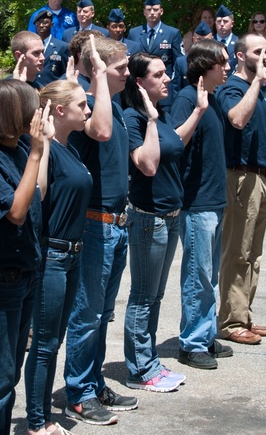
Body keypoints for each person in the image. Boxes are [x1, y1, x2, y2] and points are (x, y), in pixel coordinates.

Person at [63, 36, 140, 425]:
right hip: (95, 226)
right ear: (95, 67)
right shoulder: (88, 108)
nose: (128, 73)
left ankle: (93, 382)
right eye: (120, 67)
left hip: (119, 222)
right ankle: (77, 392)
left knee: (103, 314)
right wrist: (92, 75)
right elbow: (102, 133)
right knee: (87, 314)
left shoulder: (115, 106)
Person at [0, 80, 52, 435]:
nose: (36, 113)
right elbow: (15, 213)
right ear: (8, 113)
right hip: (1, 279)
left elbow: (40, 191)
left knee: (10, 374)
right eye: (30, 106)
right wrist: (35, 152)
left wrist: (38, 149)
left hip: (24, 273)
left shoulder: (18, 149)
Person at [121, 53, 207, 392]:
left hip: (170, 217)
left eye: (166, 72)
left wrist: (198, 111)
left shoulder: (164, 113)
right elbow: (147, 164)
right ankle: (139, 370)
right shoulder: (133, 117)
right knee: (143, 296)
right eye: (158, 74)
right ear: (140, 83)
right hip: (149, 219)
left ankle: (150, 361)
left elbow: (175, 144)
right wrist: (153, 120)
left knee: (155, 295)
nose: (168, 77)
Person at [24, 80, 93, 435]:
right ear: (61, 111)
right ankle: (37, 422)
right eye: (82, 105)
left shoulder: (73, 149)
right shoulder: (45, 147)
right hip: (51, 256)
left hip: (72, 257)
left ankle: (43, 416)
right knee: (45, 343)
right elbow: (39, 191)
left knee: (54, 340)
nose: (88, 111)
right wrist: (46, 142)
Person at [173, 40, 234, 370]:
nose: (227, 68)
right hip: (196, 204)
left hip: (214, 200)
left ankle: (206, 334)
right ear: (203, 67)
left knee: (210, 275)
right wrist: (196, 111)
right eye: (221, 64)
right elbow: (175, 141)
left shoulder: (212, 98)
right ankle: (192, 342)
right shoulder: (187, 99)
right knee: (198, 276)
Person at [216, 33, 266, 345]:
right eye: (257, 51)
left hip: (261, 176)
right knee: (237, 251)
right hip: (240, 177)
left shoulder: (258, 89)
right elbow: (237, 119)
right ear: (240, 56)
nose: (264, 55)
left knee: (253, 253)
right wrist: (257, 84)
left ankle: (244, 313)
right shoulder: (233, 89)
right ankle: (230, 321)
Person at [127, 0, 184, 93]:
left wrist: (173, 87)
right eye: (149, 10)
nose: (152, 13)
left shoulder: (172, 33)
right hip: (140, 88)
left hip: (164, 87)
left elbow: (178, 63)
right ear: (144, 12)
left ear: (161, 11)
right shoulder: (134, 33)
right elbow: (130, 61)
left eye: (155, 10)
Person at [171, 21, 213, 97]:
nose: (202, 43)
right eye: (199, 39)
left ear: (212, 40)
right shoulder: (181, 62)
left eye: (206, 40)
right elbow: (175, 90)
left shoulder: (217, 61)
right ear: (193, 39)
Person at [34, 10, 69, 87]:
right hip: (34, 89)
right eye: (38, 23)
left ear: (51, 24)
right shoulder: (32, 46)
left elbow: (65, 72)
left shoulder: (62, 47)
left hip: (52, 90)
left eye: (45, 22)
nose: (41, 25)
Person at [214, 5, 238, 71]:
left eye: (225, 21)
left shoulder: (239, 42)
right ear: (215, 23)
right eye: (219, 21)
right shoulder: (209, 42)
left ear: (232, 23)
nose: (221, 24)